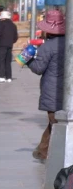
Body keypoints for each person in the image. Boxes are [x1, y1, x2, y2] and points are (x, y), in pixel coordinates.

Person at [27, 10, 66, 160]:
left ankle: (45, 153)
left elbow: (38, 68)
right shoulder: (69, 42)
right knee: (54, 123)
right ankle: (41, 150)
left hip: (52, 91)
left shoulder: (47, 47)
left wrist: (28, 58)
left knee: (55, 123)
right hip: (67, 90)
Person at [0, 10, 18, 83]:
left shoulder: (2, 24)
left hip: (2, 44)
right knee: (8, 61)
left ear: (3, 18)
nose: (0, 19)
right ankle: (9, 77)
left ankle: (1, 76)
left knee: (1, 60)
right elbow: (15, 36)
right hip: (10, 45)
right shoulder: (13, 25)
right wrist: (11, 41)